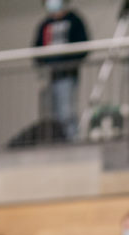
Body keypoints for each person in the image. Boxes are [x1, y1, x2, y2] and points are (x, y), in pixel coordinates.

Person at [33, 0, 89, 142]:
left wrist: (71, 61)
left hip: (67, 74)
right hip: (50, 76)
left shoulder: (74, 20)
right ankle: (57, 142)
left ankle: (72, 142)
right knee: (52, 114)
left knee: (66, 113)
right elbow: (36, 48)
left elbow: (83, 45)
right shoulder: (45, 24)